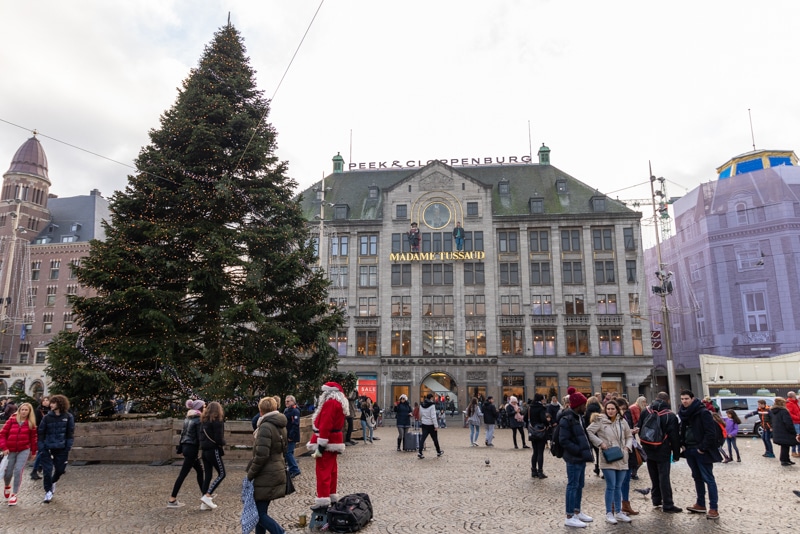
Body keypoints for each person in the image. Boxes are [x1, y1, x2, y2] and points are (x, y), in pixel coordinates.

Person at [586, 399, 633, 525]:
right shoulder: (600, 420)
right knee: (611, 486)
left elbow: (629, 435)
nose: (610, 411)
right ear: (605, 410)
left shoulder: (622, 421)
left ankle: (618, 512)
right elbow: (589, 431)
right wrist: (600, 443)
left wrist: (628, 447)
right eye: (608, 409)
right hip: (608, 457)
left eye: (613, 409)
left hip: (622, 457)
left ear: (617, 409)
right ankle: (609, 513)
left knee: (619, 486)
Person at [247, 396, 288, 534]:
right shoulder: (280, 425)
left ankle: (280, 532)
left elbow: (261, 455)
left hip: (265, 474)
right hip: (276, 470)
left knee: (258, 514)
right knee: (261, 509)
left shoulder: (265, 427)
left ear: (261, 410)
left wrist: (250, 474)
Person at [679, 389, 721, 520]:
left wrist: (702, 448)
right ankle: (700, 504)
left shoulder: (703, 413)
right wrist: (682, 443)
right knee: (697, 477)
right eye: (682, 399)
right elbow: (682, 429)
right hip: (689, 450)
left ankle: (713, 508)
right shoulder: (683, 413)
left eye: (686, 398)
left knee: (708, 478)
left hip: (701, 450)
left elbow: (711, 433)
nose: (684, 401)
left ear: (692, 399)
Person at [637, 392, 682, 513]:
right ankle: (668, 504)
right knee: (664, 477)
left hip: (648, 448)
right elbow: (674, 437)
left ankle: (656, 499)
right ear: (667, 401)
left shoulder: (645, 411)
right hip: (663, 449)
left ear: (656, 399)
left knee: (653, 475)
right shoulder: (670, 415)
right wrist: (676, 454)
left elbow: (639, 428)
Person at [306, 381, 348, 510]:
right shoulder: (339, 403)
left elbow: (325, 424)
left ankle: (323, 501)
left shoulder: (330, 403)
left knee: (323, 471)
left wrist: (321, 445)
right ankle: (331, 496)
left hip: (327, 441)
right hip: (334, 441)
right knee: (332, 470)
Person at [559, 387, 595, 528]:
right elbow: (564, 440)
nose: (585, 407)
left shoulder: (579, 417)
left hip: (581, 457)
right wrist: (579, 450)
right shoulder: (566, 419)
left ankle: (577, 511)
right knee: (573, 486)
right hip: (574, 458)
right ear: (578, 405)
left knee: (579, 485)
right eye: (583, 404)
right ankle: (569, 515)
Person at [168, 399, 205, 508]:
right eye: (204, 406)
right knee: (183, 474)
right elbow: (199, 437)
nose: (205, 408)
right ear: (200, 408)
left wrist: (180, 449)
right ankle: (172, 499)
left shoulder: (188, 419)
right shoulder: (198, 420)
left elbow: (183, 434)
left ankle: (205, 495)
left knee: (199, 471)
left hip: (186, 447)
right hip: (192, 448)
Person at [38, 394, 74, 504]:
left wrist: (68, 446)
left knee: (60, 469)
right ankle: (48, 491)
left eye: (54, 402)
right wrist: (41, 446)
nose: (51, 404)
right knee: (47, 471)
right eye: (51, 402)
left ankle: (53, 482)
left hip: (61, 447)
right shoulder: (47, 417)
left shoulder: (68, 417)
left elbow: (70, 433)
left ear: (60, 404)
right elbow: (41, 432)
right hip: (47, 447)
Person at [0, 402, 37, 506]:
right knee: (8, 472)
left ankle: (14, 494)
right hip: (10, 449)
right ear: (19, 410)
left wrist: (33, 452)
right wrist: (4, 447)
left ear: (29, 412)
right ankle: (7, 485)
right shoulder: (12, 420)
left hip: (23, 449)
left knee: (18, 471)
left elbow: (33, 439)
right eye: (22, 409)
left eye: (26, 410)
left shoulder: (31, 423)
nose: (24, 412)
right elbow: (2, 434)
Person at [199, 401, 226, 510]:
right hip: (213, 450)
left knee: (208, 475)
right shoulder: (217, 422)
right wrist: (224, 442)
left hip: (204, 451)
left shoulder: (203, 421)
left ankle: (204, 503)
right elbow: (219, 438)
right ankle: (207, 495)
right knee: (222, 473)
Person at [615, 397, 638, 513]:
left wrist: (631, 432)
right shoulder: (612, 419)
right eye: (621, 409)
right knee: (617, 481)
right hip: (617, 452)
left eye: (624, 408)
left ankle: (625, 503)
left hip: (628, 450)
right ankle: (615, 505)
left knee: (626, 479)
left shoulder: (626, 417)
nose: (623, 411)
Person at [770, 397, 799, 466]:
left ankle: (786, 459)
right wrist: (792, 431)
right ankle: (784, 460)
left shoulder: (774, 411)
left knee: (784, 446)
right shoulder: (784, 411)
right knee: (785, 446)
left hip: (778, 430)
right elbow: (787, 422)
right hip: (785, 431)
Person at [528, 394, 549, 479]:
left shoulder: (530, 408)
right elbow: (543, 419)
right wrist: (547, 424)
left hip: (532, 431)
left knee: (535, 452)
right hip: (540, 431)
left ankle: (533, 471)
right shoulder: (541, 408)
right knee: (540, 452)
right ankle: (540, 471)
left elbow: (526, 418)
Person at [418, 393, 443, 459]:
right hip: (431, 424)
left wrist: (422, 420)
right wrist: (436, 425)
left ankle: (420, 452)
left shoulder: (421, 405)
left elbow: (420, 414)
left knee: (423, 438)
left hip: (424, 424)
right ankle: (438, 451)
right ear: (431, 398)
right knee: (435, 439)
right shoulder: (432, 406)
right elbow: (433, 416)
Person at [30, 396, 50, 480]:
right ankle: (35, 470)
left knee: (44, 452)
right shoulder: (38, 411)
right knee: (41, 452)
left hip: (49, 434)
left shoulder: (51, 410)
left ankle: (39, 466)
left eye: (47, 400)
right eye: (44, 400)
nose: (45, 402)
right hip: (41, 434)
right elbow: (36, 422)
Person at [584, 396, 602, 476]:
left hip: (590, 433)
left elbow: (585, 423)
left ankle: (596, 467)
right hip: (600, 433)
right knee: (600, 452)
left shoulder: (587, 411)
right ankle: (601, 467)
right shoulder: (601, 410)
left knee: (592, 451)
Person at [284, 395, 301, 478]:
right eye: (286, 401)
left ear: (293, 402)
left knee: (288, 453)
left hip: (292, 435)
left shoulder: (295, 411)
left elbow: (295, 424)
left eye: (288, 401)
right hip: (286, 434)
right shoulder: (286, 410)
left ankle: (295, 469)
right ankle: (291, 469)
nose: (286, 403)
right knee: (289, 452)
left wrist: (291, 436)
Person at [787, 392, 800, 457]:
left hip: (798, 422)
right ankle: (794, 451)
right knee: (796, 437)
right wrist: (798, 417)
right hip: (795, 422)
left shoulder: (794, 402)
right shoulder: (790, 403)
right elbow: (790, 414)